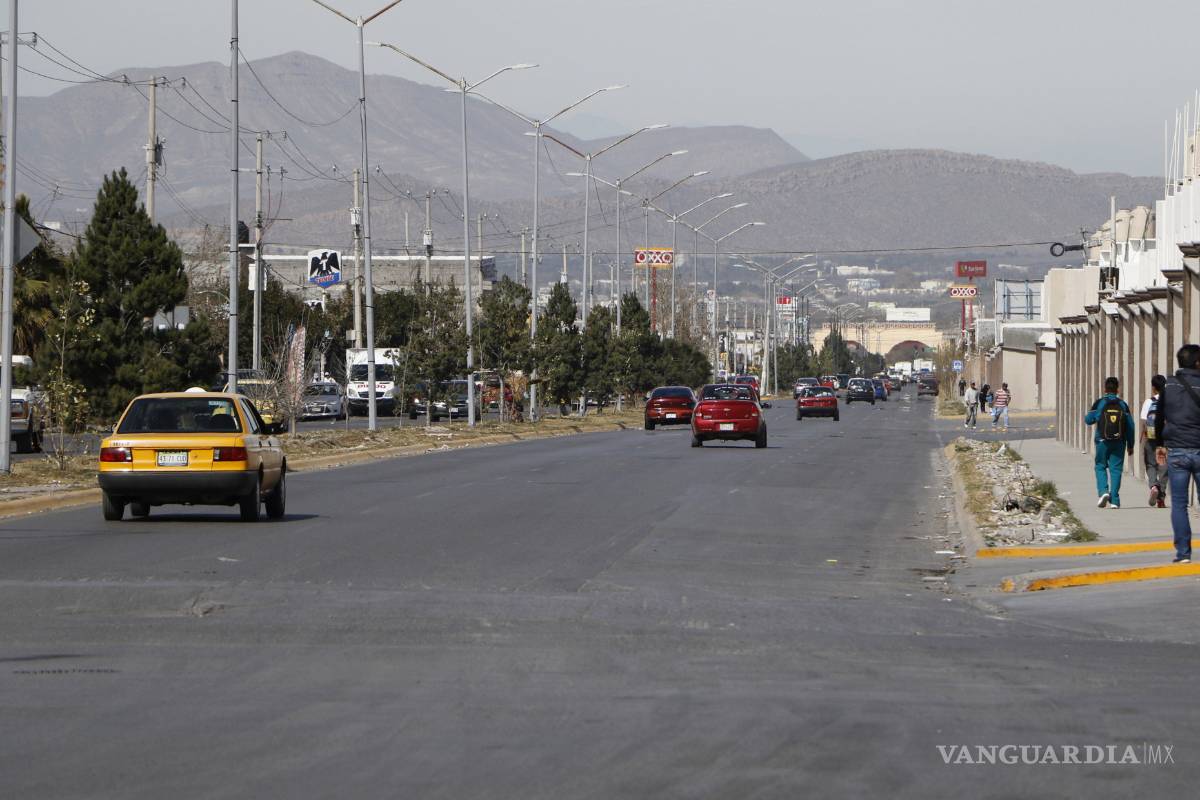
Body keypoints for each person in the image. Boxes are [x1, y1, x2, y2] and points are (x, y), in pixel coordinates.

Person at [1155, 344, 1200, 563]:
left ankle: (1183, 553)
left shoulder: (1169, 385)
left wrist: (1159, 444)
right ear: (1197, 362)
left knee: (1179, 504)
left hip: (1176, 453)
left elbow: (1158, 415)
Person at [1085, 376, 1136, 509]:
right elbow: (1130, 426)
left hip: (1102, 441)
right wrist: (1131, 445)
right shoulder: (1123, 405)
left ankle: (1103, 492)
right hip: (1119, 442)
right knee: (1116, 469)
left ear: (1105, 389)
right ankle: (1115, 500)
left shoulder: (1099, 403)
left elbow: (1088, 420)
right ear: (1117, 389)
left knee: (1100, 466)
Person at [1140, 374, 1167, 508]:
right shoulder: (1169, 402)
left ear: (1153, 388)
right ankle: (1161, 499)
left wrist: (1143, 438)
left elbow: (1144, 422)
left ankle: (1153, 486)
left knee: (1150, 464)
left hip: (1150, 438)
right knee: (1162, 466)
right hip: (1163, 439)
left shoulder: (1148, 402)